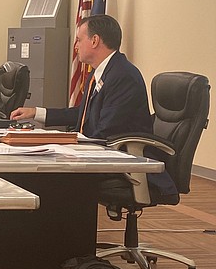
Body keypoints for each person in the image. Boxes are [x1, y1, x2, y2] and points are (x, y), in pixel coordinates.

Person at [10, 14, 176, 196]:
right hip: (101, 151)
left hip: (121, 159)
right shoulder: (101, 72)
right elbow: (83, 114)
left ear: (95, 40)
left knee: (43, 177)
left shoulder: (122, 76)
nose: (75, 46)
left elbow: (108, 132)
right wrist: (37, 113)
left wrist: (64, 144)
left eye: (79, 40)